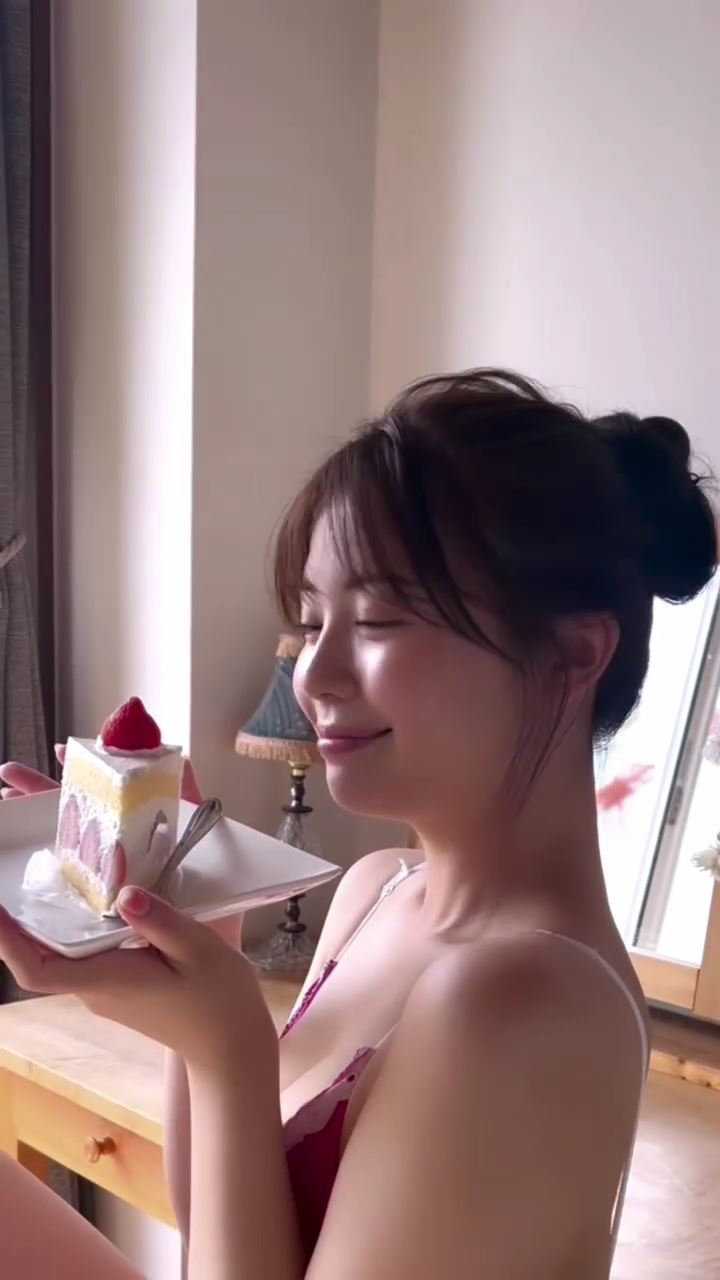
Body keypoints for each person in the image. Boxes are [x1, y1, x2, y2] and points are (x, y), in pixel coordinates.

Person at [0, 368, 716, 1279]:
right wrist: (203, 948)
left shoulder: (525, 1003)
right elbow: (216, 1232)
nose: (314, 676)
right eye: (311, 621)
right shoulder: (381, 890)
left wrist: (229, 1042)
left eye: (378, 619)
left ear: (573, 655)